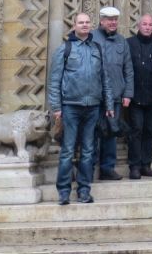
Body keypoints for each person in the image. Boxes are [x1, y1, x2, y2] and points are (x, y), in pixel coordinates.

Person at [47, 13, 114, 204]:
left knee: (88, 151)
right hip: (70, 107)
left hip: (93, 107)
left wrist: (109, 104)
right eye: (80, 22)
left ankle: (84, 190)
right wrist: (56, 107)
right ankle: (64, 191)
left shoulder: (97, 48)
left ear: (91, 25)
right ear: (74, 25)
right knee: (68, 150)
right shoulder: (65, 49)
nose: (84, 25)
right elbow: (54, 80)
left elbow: (105, 79)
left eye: (87, 22)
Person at [92, 6, 133, 180]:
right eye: (109, 19)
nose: (113, 22)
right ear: (101, 21)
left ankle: (107, 168)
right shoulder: (91, 38)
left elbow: (128, 69)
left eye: (115, 19)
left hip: (115, 95)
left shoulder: (121, 41)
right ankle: (90, 167)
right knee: (92, 133)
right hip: (94, 96)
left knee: (111, 132)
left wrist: (128, 93)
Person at [125, 14, 152, 179]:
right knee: (136, 130)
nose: (147, 27)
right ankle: (134, 166)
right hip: (134, 97)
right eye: (144, 24)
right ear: (138, 25)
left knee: (150, 131)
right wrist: (125, 94)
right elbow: (124, 70)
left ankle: (146, 165)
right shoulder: (129, 44)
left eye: (150, 25)